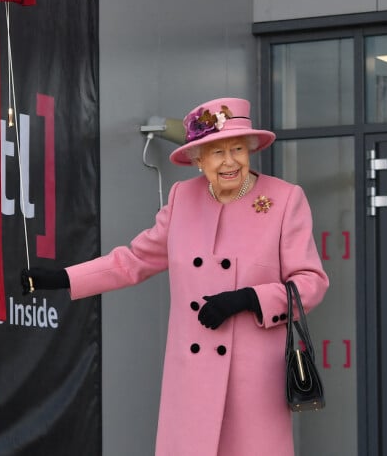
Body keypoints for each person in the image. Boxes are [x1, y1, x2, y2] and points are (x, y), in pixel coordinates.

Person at [21, 97, 329, 456]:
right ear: (198, 160)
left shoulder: (284, 199)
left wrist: (249, 298)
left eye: (237, 150)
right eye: (216, 153)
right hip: (193, 379)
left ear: (251, 150)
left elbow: (311, 282)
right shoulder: (183, 198)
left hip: (252, 382)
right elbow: (134, 260)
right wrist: (62, 278)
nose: (229, 162)